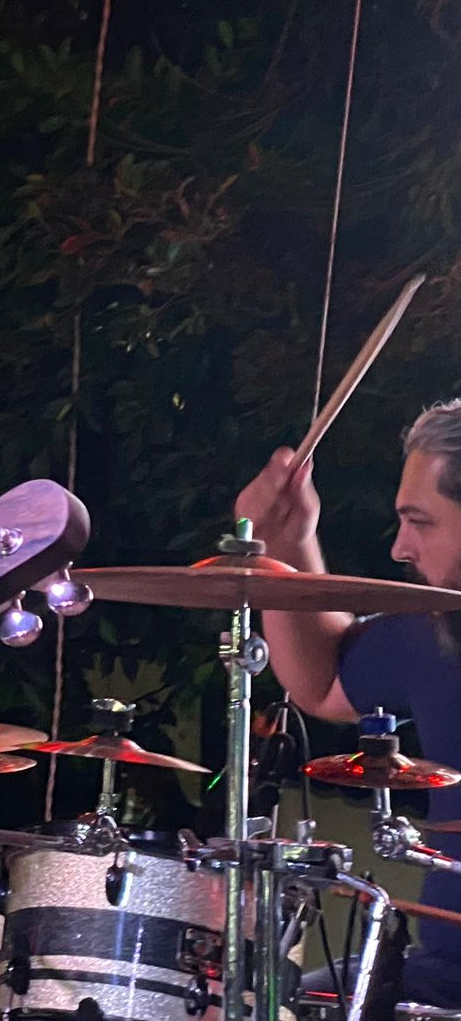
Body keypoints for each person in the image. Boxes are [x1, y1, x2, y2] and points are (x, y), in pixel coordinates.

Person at [240, 401, 461, 1007]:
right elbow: (322, 681)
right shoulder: (436, 628)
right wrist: (285, 544)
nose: (400, 548)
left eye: (420, 521)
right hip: (442, 977)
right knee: (274, 1006)